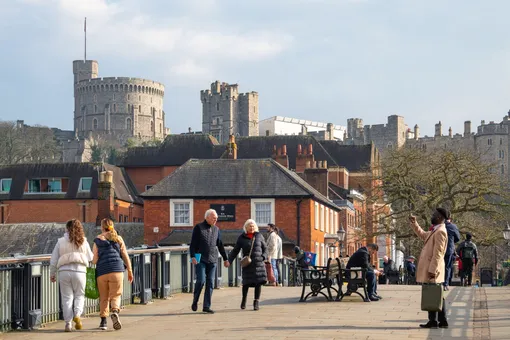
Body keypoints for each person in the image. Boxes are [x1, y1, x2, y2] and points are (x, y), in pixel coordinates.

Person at [49, 219, 93, 332]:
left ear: (67, 229)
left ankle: (68, 323)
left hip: (64, 271)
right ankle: (77, 315)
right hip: (80, 271)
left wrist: (52, 273)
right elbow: (90, 257)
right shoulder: (84, 241)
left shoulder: (60, 241)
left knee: (67, 298)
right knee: (79, 295)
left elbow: (54, 260)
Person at [409, 208, 448, 329]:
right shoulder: (434, 231)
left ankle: (433, 321)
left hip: (432, 269)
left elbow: (438, 254)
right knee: (437, 294)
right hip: (432, 268)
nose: (432, 216)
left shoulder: (440, 232)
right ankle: (442, 321)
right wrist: (414, 223)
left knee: (432, 294)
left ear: (440, 217)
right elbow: (422, 234)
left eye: (435, 214)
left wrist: (432, 270)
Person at [92, 218, 134, 331]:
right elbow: (125, 255)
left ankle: (103, 322)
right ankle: (115, 311)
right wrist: (130, 270)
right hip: (117, 270)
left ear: (102, 227)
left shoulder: (97, 240)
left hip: (102, 272)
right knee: (116, 295)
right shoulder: (118, 238)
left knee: (104, 297)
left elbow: (95, 260)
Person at [189, 209, 229, 314]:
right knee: (201, 281)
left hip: (213, 259)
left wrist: (225, 259)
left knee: (210, 282)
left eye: (216, 218)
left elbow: (220, 245)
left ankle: (206, 306)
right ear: (207, 217)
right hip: (200, 258)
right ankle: (195, 300)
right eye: (213, 218)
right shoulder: (198, 228)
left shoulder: (216, 229)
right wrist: (192, 256)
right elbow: (192, 244)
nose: (215, 219)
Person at [228, 219, 268, 310]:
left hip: (258, 263)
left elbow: (265, 249)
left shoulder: (259, 236)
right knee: (246, 283)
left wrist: (263, 257)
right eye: (250, 226)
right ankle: (244, 300)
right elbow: (235, 250)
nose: (252, 227)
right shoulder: (241, 238)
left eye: (253, 226)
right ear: (246, 227)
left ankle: (256, 302)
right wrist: (229, 260)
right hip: (248, 264)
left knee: (258, 283)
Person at [444, 214, 461, 290]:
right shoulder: (453, 226)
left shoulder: (438, 225)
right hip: (448, 248)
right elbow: (458, 238)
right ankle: (446, 284)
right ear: (450, 219)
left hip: (438, 249)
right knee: (447, 267)